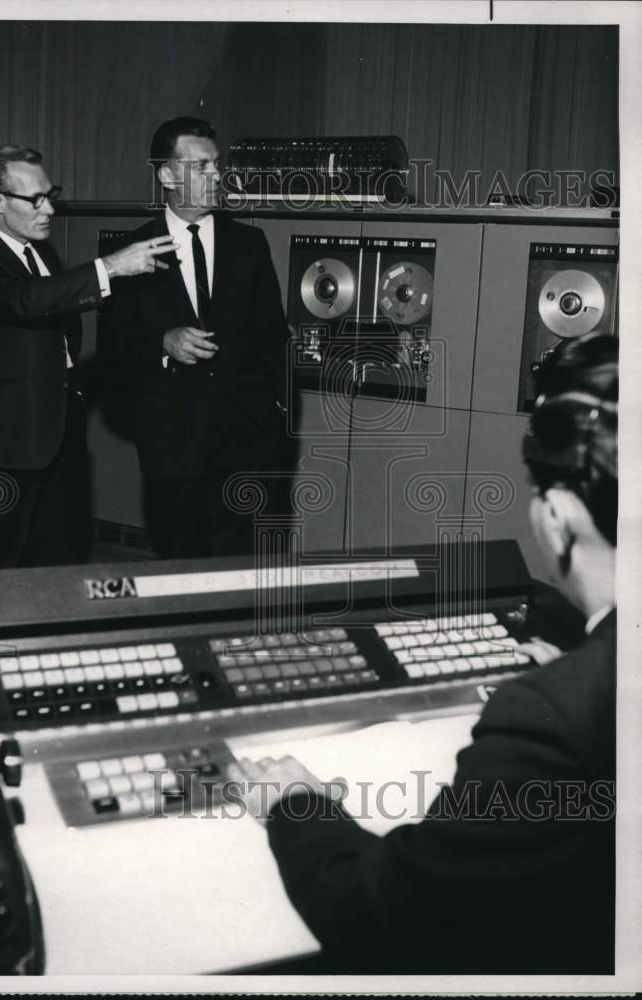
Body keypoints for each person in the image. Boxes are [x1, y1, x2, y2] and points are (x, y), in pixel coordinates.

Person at [229, 331, 618, 974]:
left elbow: (388, 917)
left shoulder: (549, 718)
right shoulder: (588, 688)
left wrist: (294, 805)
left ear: (556, 517)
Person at [0, 144, 177, 568]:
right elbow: (22, 301)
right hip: (6, 442)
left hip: (58, 433)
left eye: (51, 194)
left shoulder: (42, 253)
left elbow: (56, 317)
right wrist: (109, 267)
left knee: (57, 557)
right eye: (34, 199)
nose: (48, 209)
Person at [102, 117, 291, 558]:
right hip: (171, 445)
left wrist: (276, 416)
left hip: (246, 444)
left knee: (242, 571)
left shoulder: (250, 244)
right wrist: (162, 343)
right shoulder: (130, 253)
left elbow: (274, 335)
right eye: (201, 166)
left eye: (217, 165)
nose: (216, 176)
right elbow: (113, 346)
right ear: (166, 175)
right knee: (179, 567)